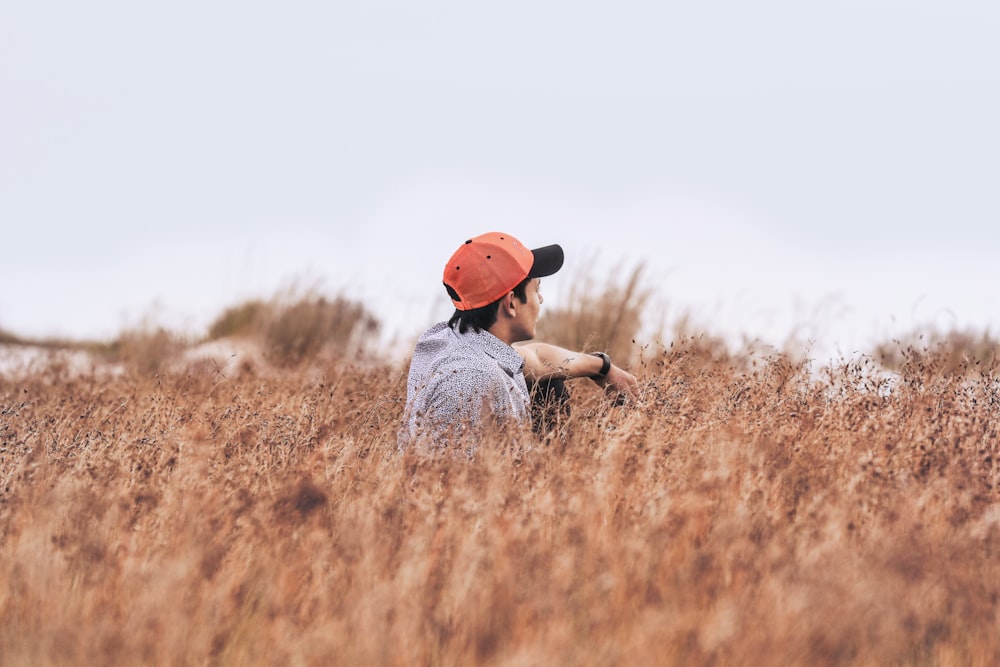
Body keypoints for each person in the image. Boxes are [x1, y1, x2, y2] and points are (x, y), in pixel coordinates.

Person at [398, 231, 640, 452]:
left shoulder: (449, 339)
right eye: (537, 290)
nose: (541, 300)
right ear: (511, 302)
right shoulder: (473, 380)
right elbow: (453, 486)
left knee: (547, 386)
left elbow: (538, 359)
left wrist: (603, 368)